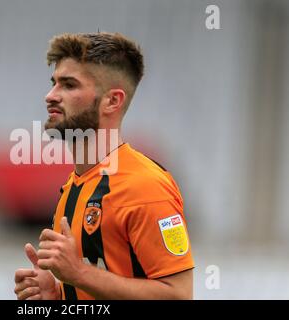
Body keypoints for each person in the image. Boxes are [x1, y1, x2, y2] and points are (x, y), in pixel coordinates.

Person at [14, 32, 194, 300]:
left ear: (112, 101)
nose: (50, 96)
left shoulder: (144, 187)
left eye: (69, 85)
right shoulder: (73, 186)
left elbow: (178, 295)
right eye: (54, 83)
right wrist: (59, 295)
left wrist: (79, 275)